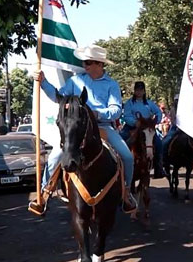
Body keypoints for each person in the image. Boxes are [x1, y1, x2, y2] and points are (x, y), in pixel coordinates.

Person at [27, 44, 135, 216]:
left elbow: (116, 110)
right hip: (77, 127)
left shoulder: (111, 84)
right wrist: (43, 82)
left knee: (127, 156)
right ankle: (44, 193)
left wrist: (97, 113)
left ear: (100, 64)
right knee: (55, 156)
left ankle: (126, 193)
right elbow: (58, 97)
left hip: (102, 127)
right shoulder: (75, 81)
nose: (85, 65)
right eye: (84, 62)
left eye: (89, 62)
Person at [121, 81, 165, 179]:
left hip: (147, 128)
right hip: (131, 127)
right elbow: (126, 115)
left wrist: (155, 122)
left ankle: (159, 168)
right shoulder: (129, 103)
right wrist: (134, 122)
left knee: (158, 144)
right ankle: (120, 166)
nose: (139, 92)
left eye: (141, 90)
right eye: (137, 90)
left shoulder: (149, 103)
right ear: (135, 91)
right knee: (122, 139)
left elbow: (158, 112)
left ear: (144, 91)